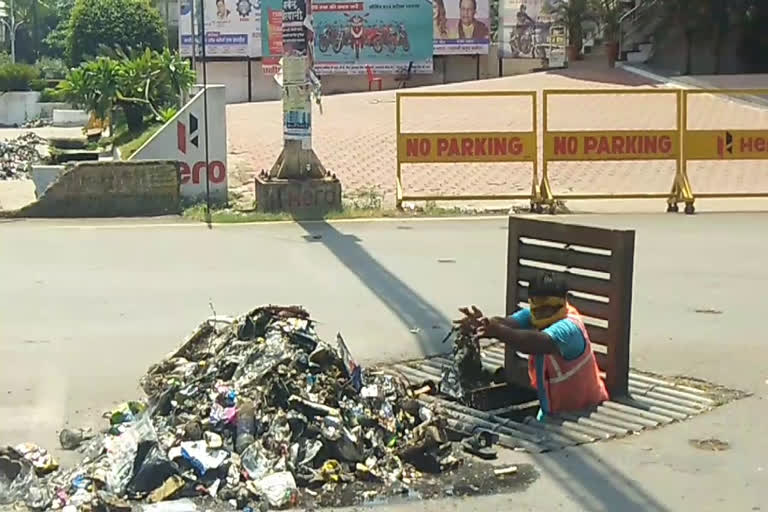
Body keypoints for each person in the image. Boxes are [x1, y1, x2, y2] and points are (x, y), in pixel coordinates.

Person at [456, 271, 608, 420]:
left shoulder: (570, 328)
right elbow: (508, 322)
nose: (543, 313)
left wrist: (499, 333)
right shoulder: (533, 314)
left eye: (549, 307)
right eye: (538, 308)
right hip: (552, 409)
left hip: (583, 411)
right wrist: (483, 323)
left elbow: (539, 342)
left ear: (563, 302)